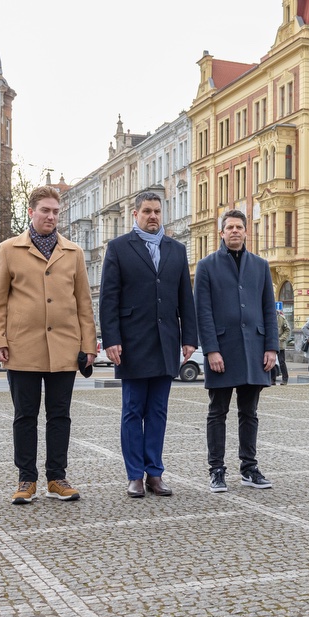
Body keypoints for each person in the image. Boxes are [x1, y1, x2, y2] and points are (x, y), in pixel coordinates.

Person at [0, 186, 97, 504]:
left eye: (56, 211)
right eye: (45, 210)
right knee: (25, 415)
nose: (51, 216)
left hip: (65, 347)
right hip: (23, 348)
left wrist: (89, 345)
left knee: (60, 415)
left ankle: (57, 477)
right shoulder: (9, 250)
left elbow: (83, 304)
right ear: (31, 212)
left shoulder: (73, 253)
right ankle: (26, 480)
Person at [100, 190, 197, 498]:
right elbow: (108, 299)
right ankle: (134, 476)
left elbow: (185, 298)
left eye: (157, 211)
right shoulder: (118, 248)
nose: (153, 216)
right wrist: (111, 339)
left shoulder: (176, 250)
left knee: (157, 411)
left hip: (166, 342)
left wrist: (189, 338)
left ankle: (154, 473)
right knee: (132, 410)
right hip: (131, 343)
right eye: (147, 211)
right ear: (136, 215)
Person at [195, 209, 278, 493]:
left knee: (249, 412)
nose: (234, 231)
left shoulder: (260, 265)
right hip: (222, 351)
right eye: (229, 227)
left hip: (255, 349)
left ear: (245, 232)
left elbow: (269, 309)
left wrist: (271, 347)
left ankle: (249, 468)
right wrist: (211, 350)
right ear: (221, 232)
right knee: (217, 411)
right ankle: (216, 469)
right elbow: (202, 312)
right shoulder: (206, 266)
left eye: (238, 227)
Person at [272, 309, 291, 385]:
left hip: (280, 343)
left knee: (281, 361)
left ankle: (285, 378)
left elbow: (287, 330)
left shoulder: (281, 318)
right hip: (271, 342)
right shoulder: (266, 317)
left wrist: (282, 338)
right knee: (271, 361)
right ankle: (272, 379)